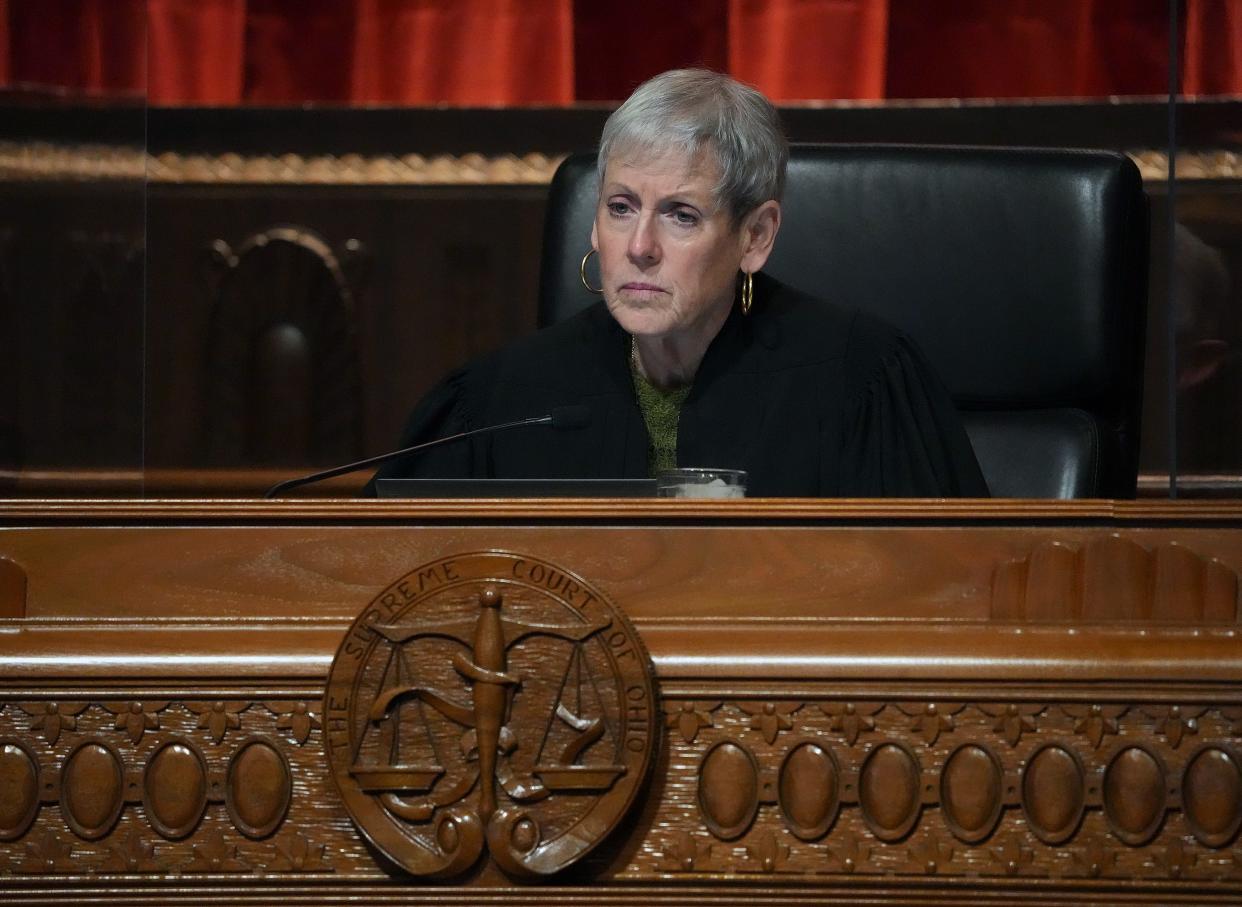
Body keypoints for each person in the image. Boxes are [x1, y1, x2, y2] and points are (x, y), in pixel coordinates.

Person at [369, 69, 987, 497]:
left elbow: (940, 605)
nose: (639, 247)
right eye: (620, 207)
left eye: (680, 215)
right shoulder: (498, 402)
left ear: (756, 237)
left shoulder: (860, 383)